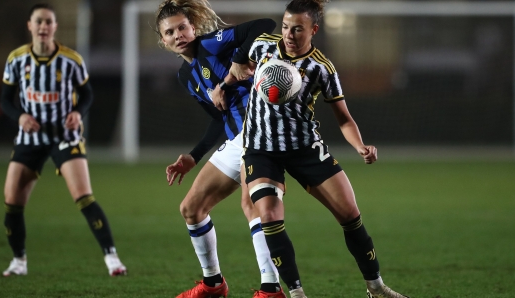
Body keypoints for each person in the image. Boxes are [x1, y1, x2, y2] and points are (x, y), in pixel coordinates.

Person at [226, 0, 410, 297]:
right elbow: (240, 62)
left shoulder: (322, 68)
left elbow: (344, 118)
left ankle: (375, 287)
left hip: (304, 148)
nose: (289, 34)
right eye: (285, 26)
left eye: (297, 29)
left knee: (350, 214)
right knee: (270, 215)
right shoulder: (262, 47)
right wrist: (227, 79)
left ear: (313, 30)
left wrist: (360, 146)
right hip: (261, 149)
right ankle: (297, 293)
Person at [155, 1, 285, 297]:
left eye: (182, 27)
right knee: (192, 209)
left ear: (193, 28)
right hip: (235, 136)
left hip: (259, 127)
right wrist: (193, 156)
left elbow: (263, 24)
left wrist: (239, 60)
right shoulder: (186, 77)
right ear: (163, 40)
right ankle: (213, 285)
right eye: (170, 32)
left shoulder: (212, 44)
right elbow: (218, 117)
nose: (178, 35)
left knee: (251, 203)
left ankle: (271, 289)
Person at [0, 3, 126, 277]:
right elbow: (5, 100)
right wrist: (20, 117)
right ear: (30, 26)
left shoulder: (71, 59)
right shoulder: (16, 59)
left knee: (84, 196)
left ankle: (112, 259)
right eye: (39, 22)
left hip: (64, 137)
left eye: (48, 22)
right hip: (29, 138)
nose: (43, 27)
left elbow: (87, 95)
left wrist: (77, 114)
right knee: (11, 201)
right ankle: (19, 261)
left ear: (55, 27)